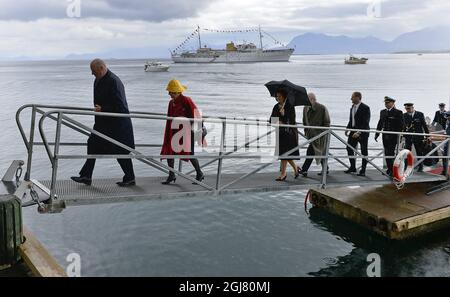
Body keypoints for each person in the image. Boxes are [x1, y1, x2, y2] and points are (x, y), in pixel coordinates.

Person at [71, 59, 136, 187]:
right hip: (103, 123)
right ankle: (86, 176)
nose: (92, 74)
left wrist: (103, 109)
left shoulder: (114, 81)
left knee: (121, 151)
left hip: (117, 125)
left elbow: (121, 107)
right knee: (92, 144)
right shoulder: (98, 79)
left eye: (94, 72)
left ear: (101, 68)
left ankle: (130, 178)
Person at [160, 79, 205, 185]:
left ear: (176, 91)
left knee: (189, 153)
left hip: (187, 132)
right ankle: (171, 175)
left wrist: (198, 133)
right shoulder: (171, 103)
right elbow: (170, 119)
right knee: (169, 151)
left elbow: (197, 115)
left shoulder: (186, 100)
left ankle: (199, 173)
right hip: (174, 132)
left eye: (170, 92)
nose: (169, 94)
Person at [269, 89, 300, 181]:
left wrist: (284, 114)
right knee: (285, 154)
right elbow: (271, 119)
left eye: (279, 96)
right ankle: (296, 169)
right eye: (277, 96)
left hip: (289, 133)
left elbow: (292, 121)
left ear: (284, 96)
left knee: (284, 154)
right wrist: (277, 121)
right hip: (281, 133)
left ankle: (283, 174)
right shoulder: (276, 106)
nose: (278, 98)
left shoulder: (290, 106)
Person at [299, 93, 331, 177]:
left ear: (313, 99)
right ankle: (325, 168)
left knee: (311, 151)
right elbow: (304, 121)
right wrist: (306, 131)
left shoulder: (322, 108)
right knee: (319, 152)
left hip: (320, 136)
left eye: (308, 100)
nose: (306, 102)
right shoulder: (305, 108)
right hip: (311, 135)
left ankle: (304, 170)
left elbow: (327, 123)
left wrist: (322, 133)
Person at [375, 96, 404, 177]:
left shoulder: (398, 112)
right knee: (386, 152)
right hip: (385, 135)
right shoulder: (382, 112)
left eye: (388, 103)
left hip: (393, 136)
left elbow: (401, 125)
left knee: (391, 152)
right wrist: (377, 134)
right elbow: (380, 123)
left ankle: (392, 170)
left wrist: (400, 135)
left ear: (392, 103)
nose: (386, 104)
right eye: (385, 103)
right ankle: (389, 168)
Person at [344, 92, 371, 177]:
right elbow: (351, 119)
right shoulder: (352, 107)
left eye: (352, 97)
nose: (351, 99)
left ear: (358, 97)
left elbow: (366, 122)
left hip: (363, 132)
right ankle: (353, 167)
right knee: (349, 148)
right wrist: (347, 128)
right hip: (353, 131)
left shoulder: (365, 108)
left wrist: (359, 132)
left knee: (364, 151)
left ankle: (363, 170)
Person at [403, 103, 429, 172]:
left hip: (418, 136)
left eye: (408, 108)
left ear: (412, 107)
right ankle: (406, 166)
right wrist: (402, 135)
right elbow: (403, 127)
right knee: (407, 152)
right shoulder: (404, 115)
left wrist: (427, 136)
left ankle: (420, 166)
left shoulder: (420, 114)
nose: (407, 110)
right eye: (406, 109)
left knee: (419, 151)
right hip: (408, 137)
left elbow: (424, 125)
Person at [442, 111, 450, 176]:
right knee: (444, 157)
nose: (447, 119)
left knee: (446, 157)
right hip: (447, 143)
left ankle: (445, 171)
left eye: (448, 117)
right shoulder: (448, 123)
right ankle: (444, 171)